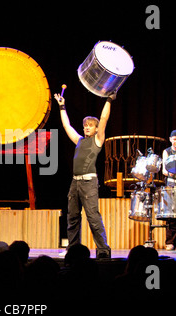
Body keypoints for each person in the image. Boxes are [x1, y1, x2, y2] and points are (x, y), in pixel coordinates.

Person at [54, 91, 114, 258]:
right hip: (75, 183)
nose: (87, 127)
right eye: (85, 125)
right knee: (72, 218)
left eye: (90, 125)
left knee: (93, 218)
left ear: (95, 129)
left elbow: (103, 120)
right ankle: (72, 250)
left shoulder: (97, 140)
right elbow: (67, 126)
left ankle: (103, 250)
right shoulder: (79, 140)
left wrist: (109, 100)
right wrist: (62, 106)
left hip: (89, 184)